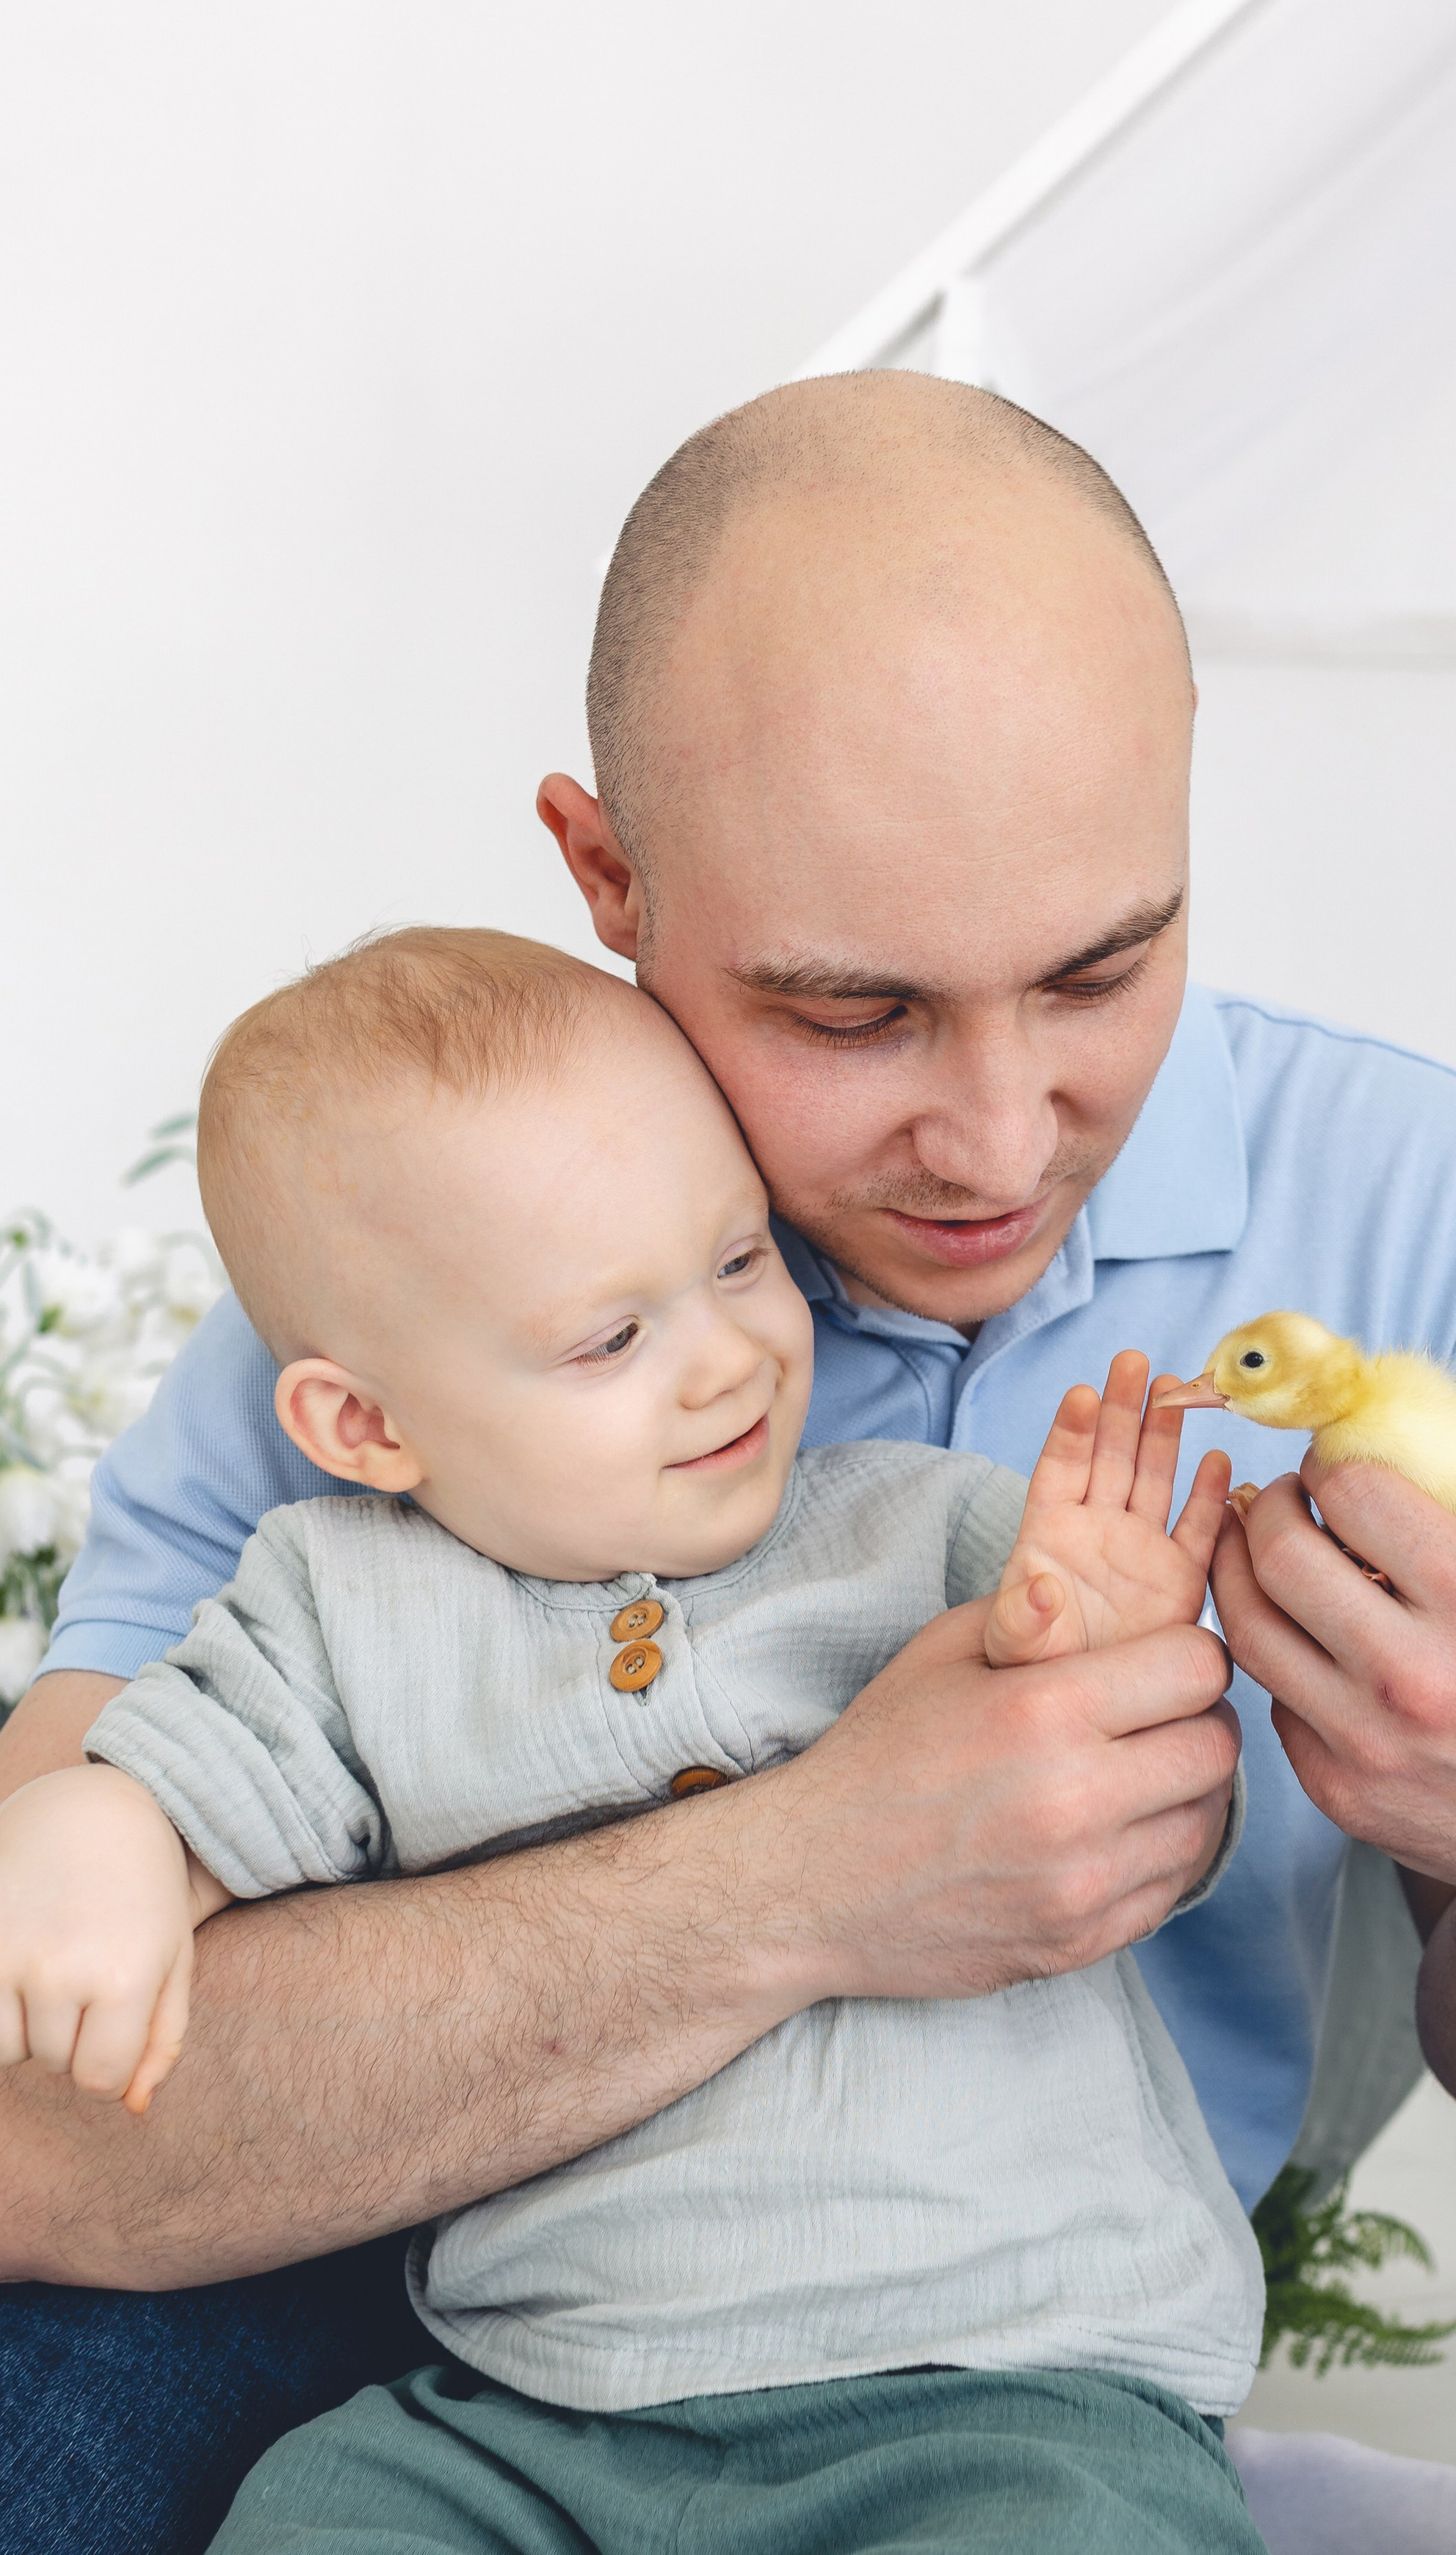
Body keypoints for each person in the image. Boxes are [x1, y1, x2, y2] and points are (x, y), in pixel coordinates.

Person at [0, 372, 1456, 2553]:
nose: (999, 1146)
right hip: (463, 2311)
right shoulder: (452, 1233)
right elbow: (37, 2131)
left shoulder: (1410, 1203)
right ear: (607, 877)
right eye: (853, 1016)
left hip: (1019, 2354)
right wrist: (815, 1878)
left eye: (1104, 970)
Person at [0, 925, 1268, 2551]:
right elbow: (184, 1795)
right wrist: (99, 1842)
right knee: (314, 2513)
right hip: (534, 2404)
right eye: (613, 1339)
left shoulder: (920, 1536)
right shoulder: (332, 1611)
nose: (729, 1357)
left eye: (740, 1263)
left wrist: (1106, 1642)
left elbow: (1143, 1819)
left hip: (998, 2381)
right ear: (364, 1427)